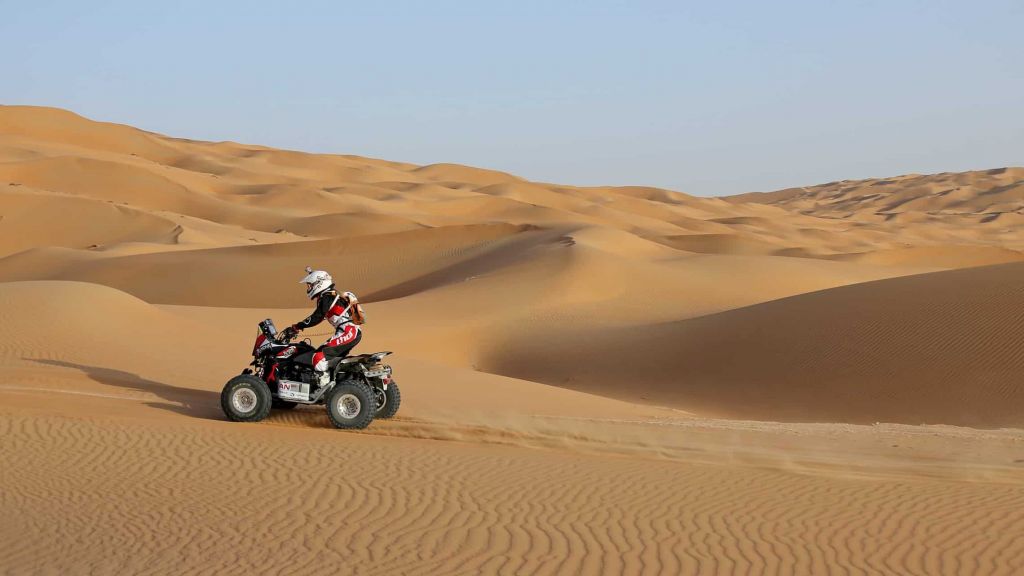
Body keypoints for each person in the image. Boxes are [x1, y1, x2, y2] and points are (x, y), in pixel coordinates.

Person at [281, 267, 362, 387]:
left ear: (319, 283)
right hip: (349, 332)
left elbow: (317, 317)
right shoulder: (330, 296)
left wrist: (298, 326)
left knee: (318, 358)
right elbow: (319, 317)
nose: (309, 288)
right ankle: (337, 383)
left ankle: (324, 388)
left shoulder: (327, 297)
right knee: (329, 359)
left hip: (348, 332)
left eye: (310, 285)